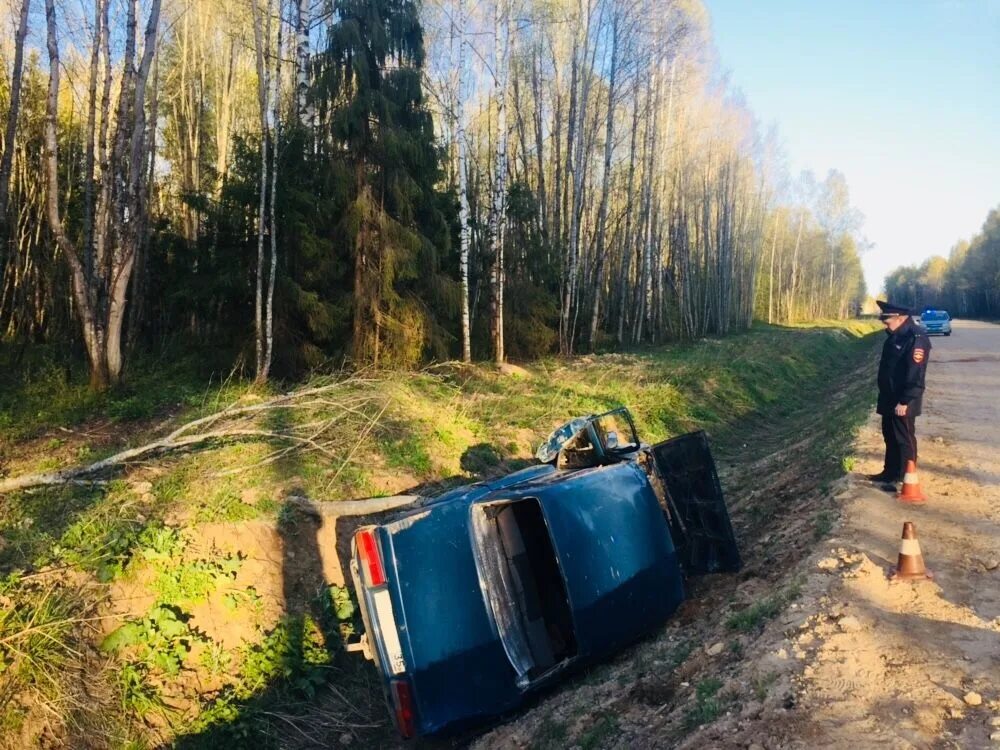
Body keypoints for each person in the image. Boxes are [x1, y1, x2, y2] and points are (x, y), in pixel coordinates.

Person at [867, 300, 931, 489]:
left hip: (903, 400)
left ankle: (905, 478)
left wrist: (905, 401)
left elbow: (915, 374)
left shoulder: (915, 338)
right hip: (889, 396)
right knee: (890, 435)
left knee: (903, 438)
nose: (885, 325)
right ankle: (890, 473)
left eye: (887, 321)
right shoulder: (896, 335)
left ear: (900, 318)